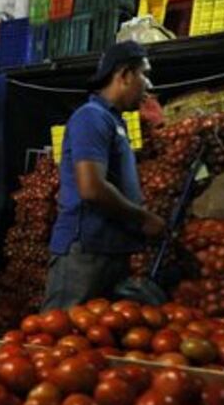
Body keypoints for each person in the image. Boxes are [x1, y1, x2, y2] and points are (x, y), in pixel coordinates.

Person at [42, 40, 166, 311]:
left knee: (91, 345)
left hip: (108, 250)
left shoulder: (113, 121)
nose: (149, 85)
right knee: (59, 340)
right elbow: (91, 188)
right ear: (124, 75)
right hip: (86, 251)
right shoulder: (92, 117)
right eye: (144, 74)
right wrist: (143, 217)